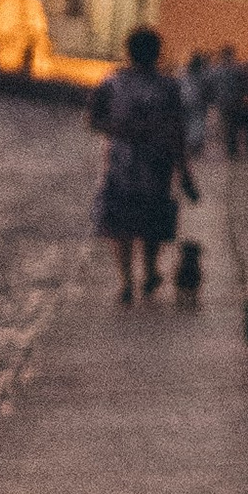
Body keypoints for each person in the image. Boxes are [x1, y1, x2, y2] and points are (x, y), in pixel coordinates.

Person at [88, 26, 196, 306]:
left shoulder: (112, 83)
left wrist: (121, 129)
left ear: (128, 51)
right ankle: (149, 271)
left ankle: (125, 281)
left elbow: (93, 119)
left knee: (120, 222)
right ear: (158, 53)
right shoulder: (168, 87)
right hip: (157, 163)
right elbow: (177, 130)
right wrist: (184, 171)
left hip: (121, 163)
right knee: (152, 219)